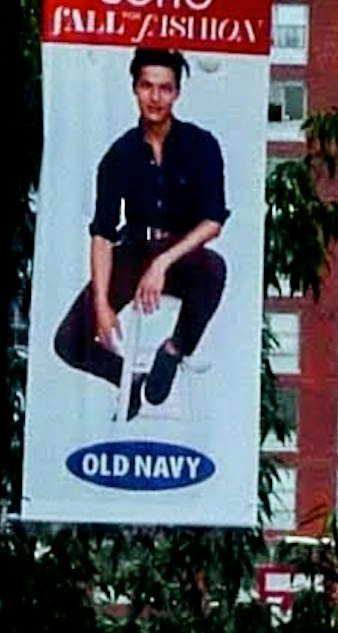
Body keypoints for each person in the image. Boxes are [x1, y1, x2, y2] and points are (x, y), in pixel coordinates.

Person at [47, 40, 232, 415]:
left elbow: (213, 220)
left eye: (165, 88)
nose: (155, 97)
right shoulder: (119, 155)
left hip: (183, 252)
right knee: (68, 341)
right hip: (133, 252)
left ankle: (174, 349)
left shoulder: (201, 145)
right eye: (147, 86)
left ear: (176, 93)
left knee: (214, 268)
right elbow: (102, 232)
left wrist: (163, 263)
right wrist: (101, 302)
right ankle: (129, 380)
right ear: (135, 88)